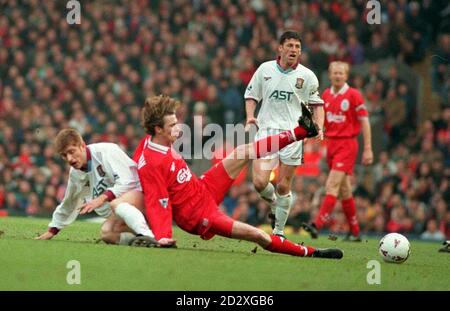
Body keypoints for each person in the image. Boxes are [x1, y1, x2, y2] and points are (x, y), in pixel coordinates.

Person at [135, 94, 343, 259]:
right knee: (258, 235)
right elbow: (158, 202)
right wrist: (163, 237)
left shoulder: (151, 141)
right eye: (172, 125)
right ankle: (310, 252)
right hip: (198, 215)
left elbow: (138, 160)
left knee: (243, 151)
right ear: (158, 129)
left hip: (202, 187)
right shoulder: (152, 163)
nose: (178, 128)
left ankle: (300, 131)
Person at [244, 30, 325, 238]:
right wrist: (250, 115)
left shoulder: (307, 76)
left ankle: (278, 232)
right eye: (289, 46)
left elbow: (317, 105)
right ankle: (273, 204)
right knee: (260, 182)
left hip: (294, 135)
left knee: (283, 185)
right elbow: (251, 95)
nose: (294, 50)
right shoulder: (265, 69)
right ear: (280, 48)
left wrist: (320, 127)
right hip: (267, 131)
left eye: (297, 47)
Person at [35, 128, 170, 247]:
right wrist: (52, 230)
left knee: (116, 203)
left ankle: (148, 235)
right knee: (107, 233)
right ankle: (141, 241)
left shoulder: (106, 151)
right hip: (124, 211)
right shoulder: (76, 174)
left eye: (71, 151)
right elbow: (69, 202)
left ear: (82, 146)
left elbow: (129, 182)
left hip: (147, 199)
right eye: (64, 155)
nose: (69, 159)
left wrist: (101, 199)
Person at [302, 61, 373, 241]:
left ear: (346, 75)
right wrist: (315, 135)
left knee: (331, 185)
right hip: (331, 145)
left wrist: (368, 148)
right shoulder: (326, 94)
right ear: (330, 74)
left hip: (347, 145)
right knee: (345, 191)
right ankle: (355, 232)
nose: (337, 76)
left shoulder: (354, 95)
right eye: (335, 72)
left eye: (341, 73)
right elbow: (321, 118)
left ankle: (317, 224)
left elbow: (364, 121)